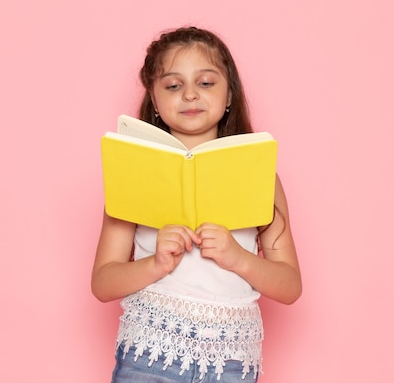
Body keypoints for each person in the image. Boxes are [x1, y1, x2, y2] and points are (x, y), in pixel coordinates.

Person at [92, 26, 302, 383]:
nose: (190, 95)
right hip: (150, 353)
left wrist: (238, 257)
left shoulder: (259, 174)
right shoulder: (134, 171)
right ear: (154, 101)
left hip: (229, 360)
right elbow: (102, 282)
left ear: (229, 94)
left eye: (206, 83)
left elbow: (290, 285)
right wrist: (155, 264)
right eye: (173, 86)